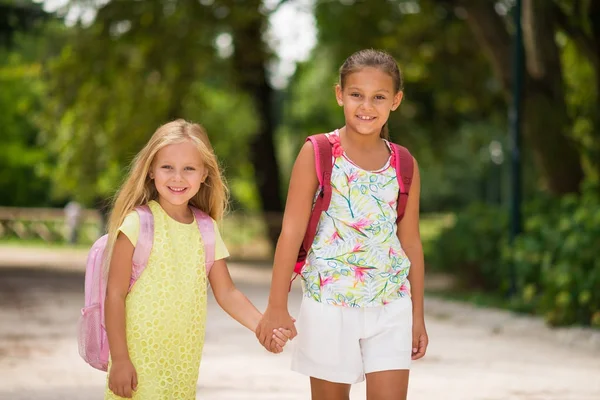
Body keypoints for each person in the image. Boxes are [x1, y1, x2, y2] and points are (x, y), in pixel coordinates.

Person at [255, 49, 428, 400]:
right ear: (340, 95)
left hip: (390, 306)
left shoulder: (404, 163)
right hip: (328, 305)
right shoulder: (318, 152)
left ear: (396, 101)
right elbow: (290, 231)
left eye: (379, 97)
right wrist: (277, 304)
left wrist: (417, 315)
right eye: (356, 95)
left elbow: (411, 242)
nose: (367, 106)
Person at [103, 119, 291, 399]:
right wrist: (119, 359)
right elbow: (114, 294)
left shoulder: (206, 229)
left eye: (189, 168)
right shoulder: (137, 224)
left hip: (182, 365)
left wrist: (263, 327)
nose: (177, 177)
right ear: (151, 170)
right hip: (137, 361)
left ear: (204, 174)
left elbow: (227, 292)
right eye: (167, 167)